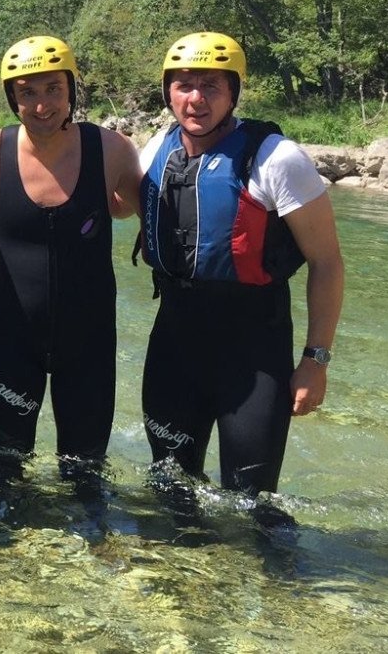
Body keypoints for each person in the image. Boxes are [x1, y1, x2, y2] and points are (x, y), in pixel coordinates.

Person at [136, 31, 344, 504]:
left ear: (234, 92)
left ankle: (269, 581)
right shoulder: (155, 152)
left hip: (253, 354)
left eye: (211, 85)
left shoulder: (276, 159)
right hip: (172, 347)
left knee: (254, 504)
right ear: (167, 90)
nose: (195, 99)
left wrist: (316, 361)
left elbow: (327, 262)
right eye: (183, 84)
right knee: (169, 491)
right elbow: (99, 198)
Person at [0, 36, 143, 480]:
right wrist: (8, 240)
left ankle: (93, 550)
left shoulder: (111, 149)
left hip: (89, 341)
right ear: (12, 98)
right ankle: (6, 552)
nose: (42, 105)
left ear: (71, 90)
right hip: (12, 338)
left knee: (85, 472)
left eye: (53, 89)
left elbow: (142, 212)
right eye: (28, 93)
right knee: (6, 468)